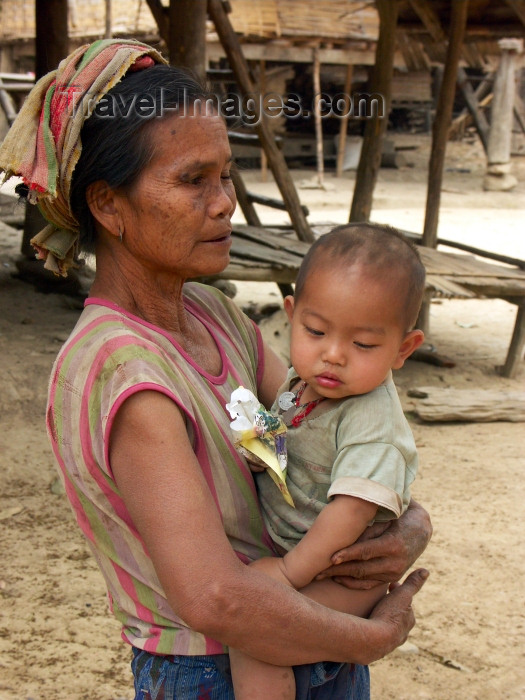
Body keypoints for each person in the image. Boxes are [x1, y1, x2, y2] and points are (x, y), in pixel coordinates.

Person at [0, 39, 431, 699]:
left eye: (225, 174)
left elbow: (320, 433)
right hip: (212, 671)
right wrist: (370, 636)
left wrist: (406, 526)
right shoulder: (122, 369)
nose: (225, 201)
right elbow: (217, 601)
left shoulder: (211, 314)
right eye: (192, 179)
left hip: (305, 637)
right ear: (108, 205)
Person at [228, 224, 426, 699]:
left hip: (341, 574)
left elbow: (350, 512)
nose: (332, 355)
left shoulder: (372, 423)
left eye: (363, 345)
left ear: (403, 349)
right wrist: (263, 450)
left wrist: (291, 572)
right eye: (316, 331)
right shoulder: (304, 379)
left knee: (258, 635)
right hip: (306, 553)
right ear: (292, 316)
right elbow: (286, 424)